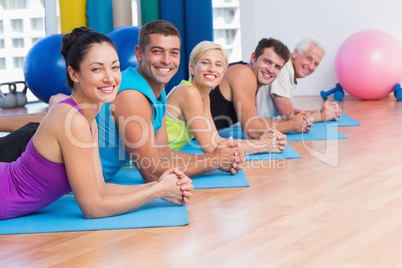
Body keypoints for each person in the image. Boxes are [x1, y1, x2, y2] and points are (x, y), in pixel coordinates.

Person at [0, 20, 243, 181]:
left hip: (43, 142)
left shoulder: (155, 95)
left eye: (173, 52)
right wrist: (212, 161)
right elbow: (150, 171)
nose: (166, 60)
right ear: (139, 53)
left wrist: (216, 159)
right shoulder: (132, 96)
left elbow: (163, 154)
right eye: (157, 51)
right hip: (26, 155)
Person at [0, 27, 193, 220]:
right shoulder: (73, 120)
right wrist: (158, 192)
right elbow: (93, 208)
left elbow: (101, 188)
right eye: (97, 69)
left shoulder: (86, 119)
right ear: (74, 74)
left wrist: (161, 185)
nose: (110, 78)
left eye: (115, 67)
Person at [166, 41, 287, 155]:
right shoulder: (188, 92)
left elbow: (217, 140)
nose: (212, 69)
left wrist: (265, 141)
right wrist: (263, 144)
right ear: (192, 68)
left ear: (223, 73)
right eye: (205, 63)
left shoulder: (204, 98)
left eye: (218, 64)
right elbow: (211, 148)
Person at [209, 38, 313, 140]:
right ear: (253, 58)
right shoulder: (243, 73)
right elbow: (251, 131)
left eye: (277, 67)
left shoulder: (252, 79)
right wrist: (293, 124)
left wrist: (296, 121)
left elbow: (256, 121)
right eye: (267, 61)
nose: (271, 70)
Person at [257, 37, 342, 121]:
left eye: (316, 64)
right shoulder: (283, 68)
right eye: (309, 58)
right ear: (295, 53)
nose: (311, 66)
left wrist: (322, 112)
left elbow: (290, 112)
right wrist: (321, 116)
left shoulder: (289, 70)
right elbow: (288, 116)